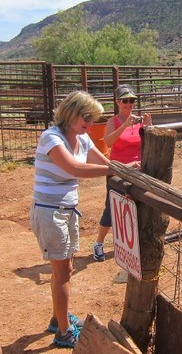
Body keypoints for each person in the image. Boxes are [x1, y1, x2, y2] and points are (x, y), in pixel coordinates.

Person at [29, 90, 139, 348]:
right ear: (71, 112)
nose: (90, 122)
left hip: (66, 210)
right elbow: (75, 168)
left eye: (93, 117)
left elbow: (105, 163)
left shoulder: (83, 138)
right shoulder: (51, 138)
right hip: (50, 212)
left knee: (64, 270)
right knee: (62, 272)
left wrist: (125, 169)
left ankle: (59, 319)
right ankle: (63, 332)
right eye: (86, 116)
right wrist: (116, 169)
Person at [93, 84, 152, 262]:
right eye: (125, 100)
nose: (129, 104)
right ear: (118, 102)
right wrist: (125, 124)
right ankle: (98, 243)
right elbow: (108, 142)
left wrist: (149, 127)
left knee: (139, 204)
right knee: (112, 207)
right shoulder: (114, 121)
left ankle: (133, 243)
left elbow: (149, 142)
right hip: (118, 170)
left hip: (138, 169)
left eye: (132, 100)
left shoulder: (140, 119)